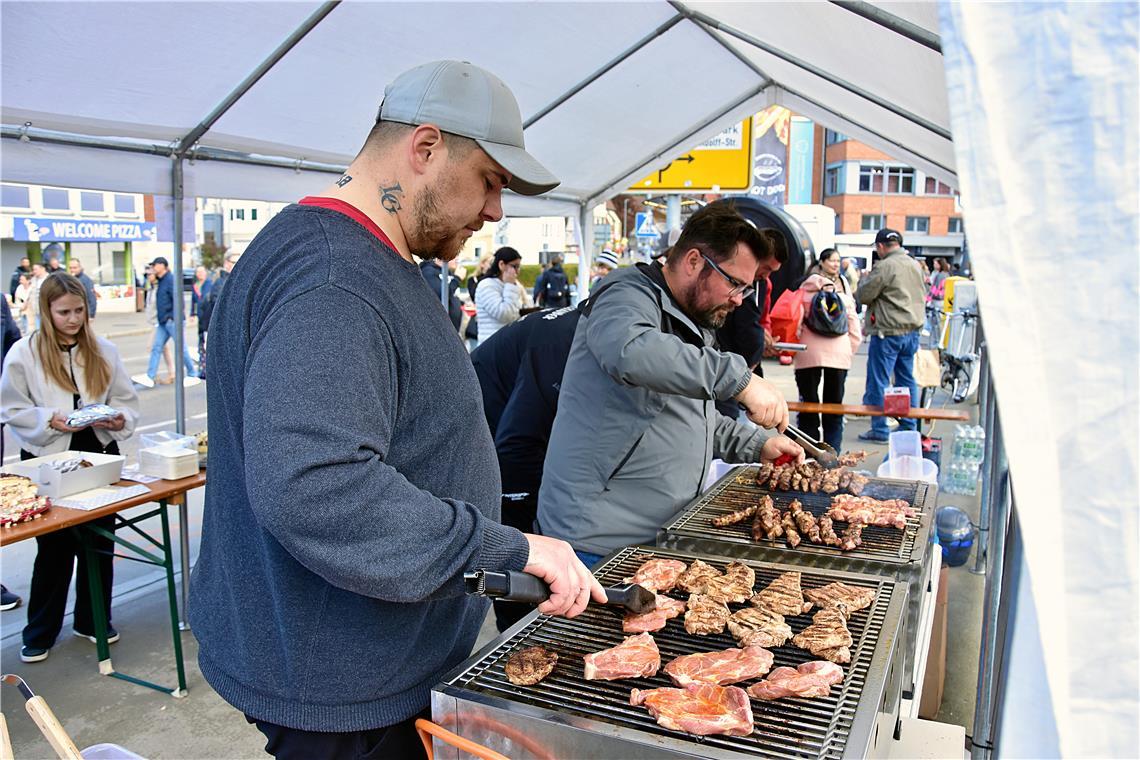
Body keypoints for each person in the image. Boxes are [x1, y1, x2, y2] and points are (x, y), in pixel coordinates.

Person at [188, 59, 603, 759]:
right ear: (426, 148)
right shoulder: (333, 279)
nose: (497, 210)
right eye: (491, 181)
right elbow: (316, 485)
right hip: (346, 689)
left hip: (352, 664)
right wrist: (513, 547)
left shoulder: (353, 258)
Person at [539, 203, 804, 566]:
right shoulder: (625, 294)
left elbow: (685, 421)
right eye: (735, 283)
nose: (739, 299)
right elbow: (629, 351)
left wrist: (758, 443)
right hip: (594, 544)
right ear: (694, 261)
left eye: (747, 287)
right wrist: (739, 381)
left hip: (656, 540)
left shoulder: (693, 319)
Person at [0, 273, 139, 663]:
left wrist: (117, 419)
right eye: (64, 312)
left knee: (100, 542)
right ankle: (40, 631)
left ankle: (93, 620)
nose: (73, 319)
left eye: (79, 311)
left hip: (97, 452)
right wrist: (49, 419)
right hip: (47, 459)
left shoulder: (103, 350)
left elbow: (126, 400)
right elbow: (11, 409)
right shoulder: (23, 353)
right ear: (46, 311)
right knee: (54, 547)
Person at [471, 304, 582, 630]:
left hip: (506, 429)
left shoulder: (587, 328)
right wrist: (524, 538)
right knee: (518, 550)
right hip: (486, 433)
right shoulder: (561, 343)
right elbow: (517, 445)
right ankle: (515, 632)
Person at [856, 228, 926, 442]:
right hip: (912, 331)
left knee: (879, 381)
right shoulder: (915, 264)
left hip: (888, 332)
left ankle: (879, 429)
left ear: (880, 247)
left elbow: (864, 295)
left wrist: (863, 281)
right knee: (906, 380)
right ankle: (908, 426)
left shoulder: (886, 266)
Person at [715, 226, 786, 419]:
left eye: (773, 271)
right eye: (766, 268)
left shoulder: (764, 284)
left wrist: (765, 336)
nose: (766, 275)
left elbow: (762, 320)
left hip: (744, 367)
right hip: (725, 364)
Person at [793, 269, 863, 453]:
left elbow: (794, 326)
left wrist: (794, 352)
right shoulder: (844, 299)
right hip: (839, 357)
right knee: (834, 406)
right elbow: (855, 332)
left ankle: (809, 453)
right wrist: (848, 352)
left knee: (808, 405)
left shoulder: (802, 297)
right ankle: (832, 455)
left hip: (807, 354)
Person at [136, 256, 197, 388]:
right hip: (163, 322)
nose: (153, 268)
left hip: (172, 320)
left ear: (163, 266)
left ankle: (192, 372)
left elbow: (177, 300)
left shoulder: (170, 280)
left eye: (155, 265)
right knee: (156, 348)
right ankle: (150, 376)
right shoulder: (161, 280)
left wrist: (174, 317)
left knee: (181, 348)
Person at [197, 252, 239, 377]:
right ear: (226, 264)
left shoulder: (232, 281)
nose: (238, 265)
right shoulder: (222, 283)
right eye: (234, 262)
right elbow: (221, 308)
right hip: (220, 332)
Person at [474, 246, 524, 343]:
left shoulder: (511, 284)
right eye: (514, 266)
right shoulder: (486, 285)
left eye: (519, 267)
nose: (517, 271)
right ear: (501, 264)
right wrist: (510, 285)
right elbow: (504, 314)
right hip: (491, 345)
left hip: (506, 342)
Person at [419, 256, 463, 330]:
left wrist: (461, 302)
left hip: (452, 328)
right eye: (454, 256)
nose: (457, 259)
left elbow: (451, 294)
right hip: (440, 328)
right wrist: (457, 278)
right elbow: (440, 295)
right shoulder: (428, 271)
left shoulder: (448, 272)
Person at [23, 263, 47, 332]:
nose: (34, 271)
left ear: (42, 269)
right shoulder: (33, 280)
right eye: (33, 270)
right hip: (36, 310)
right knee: (38, 330)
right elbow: (30, 293)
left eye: (35, 269)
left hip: (45, 309)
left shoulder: (49, 279)